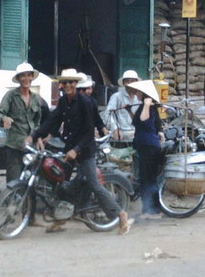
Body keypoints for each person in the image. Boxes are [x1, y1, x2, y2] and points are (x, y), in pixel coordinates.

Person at [34, 68, 129, 235]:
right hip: (69, 148)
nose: (68, 85)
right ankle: (60, 219)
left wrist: (76, 150)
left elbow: (88, 132)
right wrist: (36, 135)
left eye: (71, 82)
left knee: (94, 185)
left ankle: (121, 215)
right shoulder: (63, 102)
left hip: (85, 150)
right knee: (61, 182)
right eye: (65, 82)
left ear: (76, 83)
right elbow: (52, 121)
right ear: (61, 85)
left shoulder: (86, 102)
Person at [0, 63, 45, 183]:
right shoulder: (10, 96)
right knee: (14, 182)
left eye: (29, 75)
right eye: (23, 76)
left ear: (32, 77)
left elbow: (37, 122)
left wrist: (38, 138)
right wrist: (4, 119)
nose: (26, 79)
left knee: (31, 181)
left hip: (31, 147)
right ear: (18, 78)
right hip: (14, 147)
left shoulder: (36, 98)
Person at [128, 80, 164, 219]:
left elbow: (144, 120)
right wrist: (128, 111)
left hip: (149, 146)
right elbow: (137, 122)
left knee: (149, 179)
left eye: (138, 92)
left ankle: (153, 210)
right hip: (143, 145)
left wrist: (147, 104)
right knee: (144, 178)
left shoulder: (149, 107)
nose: (136, 94)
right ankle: (146, 209)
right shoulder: (143, 107)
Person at [105, 69, 141, 142]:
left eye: (132, 81)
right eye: (127, 81)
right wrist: (115, 129)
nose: (130, 83)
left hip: (136, 131)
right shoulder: (117, 96)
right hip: (121, 132)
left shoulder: (139, 98)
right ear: (124, 83)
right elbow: (109, 114)